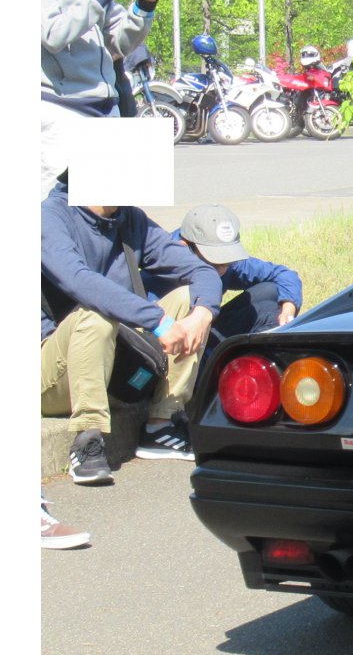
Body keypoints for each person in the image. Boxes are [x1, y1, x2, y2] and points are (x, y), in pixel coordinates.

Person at [41, 177, 223, 483]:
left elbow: (202, 271)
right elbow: (79, 281)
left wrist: (202, 314)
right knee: (95, 314)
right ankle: (88, 439)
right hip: (51, 373)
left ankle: (160, 424)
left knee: (189, 298)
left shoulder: (129, 218)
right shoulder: (50, 217)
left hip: (115, 357)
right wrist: (158, 321)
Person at [42, 0, 168, 197]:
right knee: (54, 218)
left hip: (106, 108)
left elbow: (117, 44)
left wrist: (145, 4)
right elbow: (53, 34)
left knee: (109, 217)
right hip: (61, 111)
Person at [143, 205, 304, 352]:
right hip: (170, 344)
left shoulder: (228, 264)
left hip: (206, 330)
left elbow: (284, 274)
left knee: (271, 292)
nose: (223, 269)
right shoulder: (158, 267)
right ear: (185, 245)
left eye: (227, 261)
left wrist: (287, 311)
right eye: (214, 262)